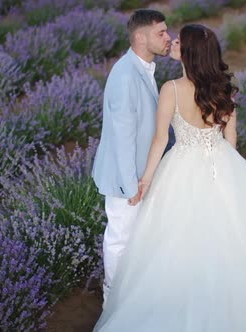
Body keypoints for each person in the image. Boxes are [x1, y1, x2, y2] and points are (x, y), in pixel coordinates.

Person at [93, 24, 246, 331]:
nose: (173, 42)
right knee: (232, 235)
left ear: (189, 51)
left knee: (173, 242)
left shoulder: (171, 89)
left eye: (179, 40)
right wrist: (223, 169)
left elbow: (158, 141)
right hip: (222, 162)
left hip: (180, 166)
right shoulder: (223, 89)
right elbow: (231, 140)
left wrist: (146, 180)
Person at [91, 9, 172, 306]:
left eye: (167, 31)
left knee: (139, 239)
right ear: (140, 37)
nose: (168, 37)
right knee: (120, 239)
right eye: (161, 33)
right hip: (126, 179)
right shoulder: (125, 75)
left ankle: (132, 296)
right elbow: (123, 136)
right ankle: (112, 299)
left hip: (141, 175)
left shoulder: (144, 68)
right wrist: (129, 186)